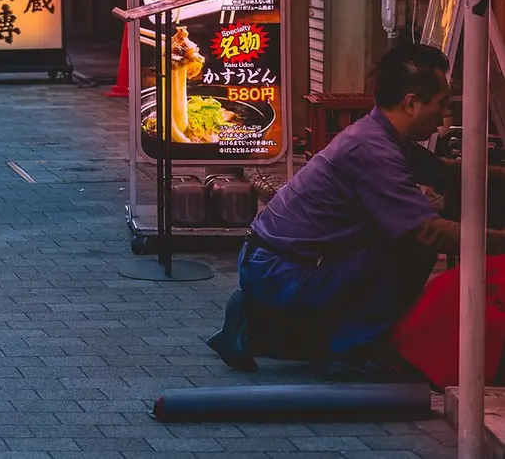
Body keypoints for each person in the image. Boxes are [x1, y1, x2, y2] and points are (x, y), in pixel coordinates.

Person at [206, 43, 505, 379]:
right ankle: (353, 350)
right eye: (441, 105)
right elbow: (426, 231)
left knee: (395, 237)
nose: (443, 117)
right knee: (411, 246)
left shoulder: (380, 134)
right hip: (280, 269)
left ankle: (252, 324)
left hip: (273, 261)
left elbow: (445, 171)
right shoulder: (373, 150)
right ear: (411, 103)